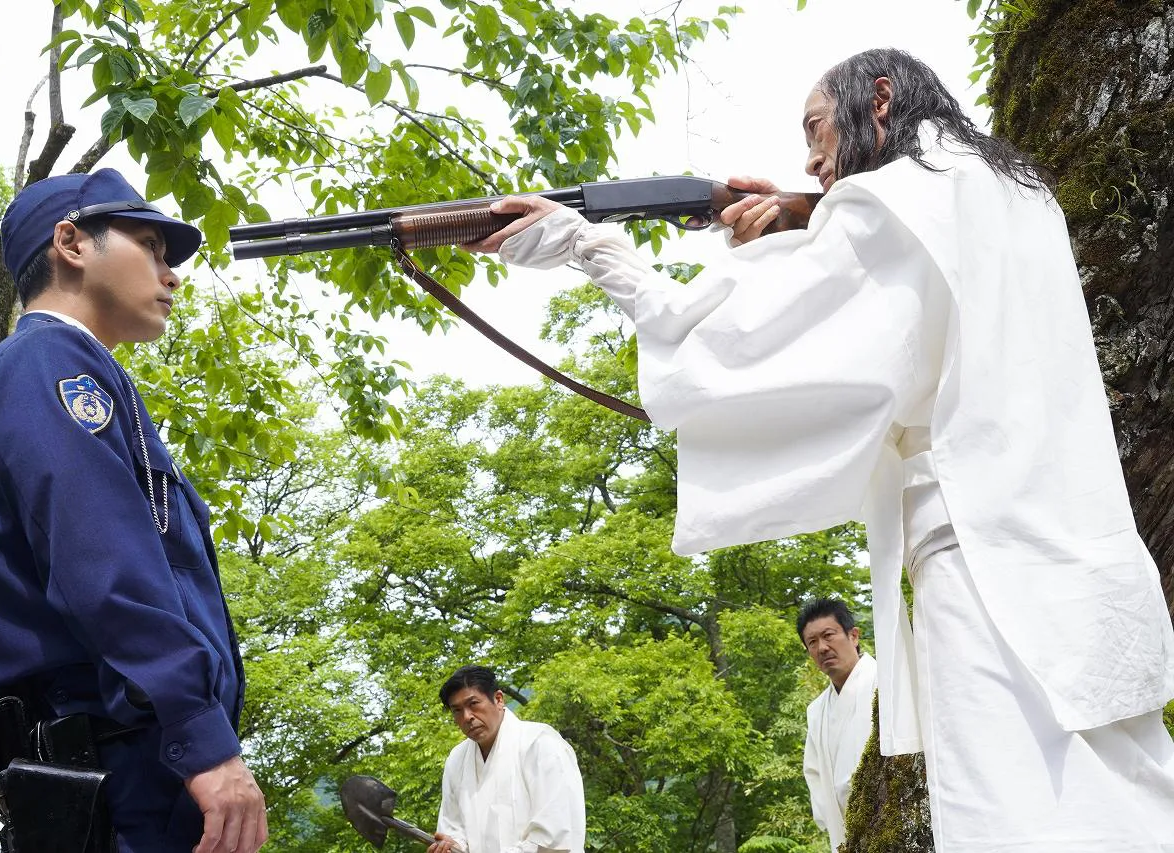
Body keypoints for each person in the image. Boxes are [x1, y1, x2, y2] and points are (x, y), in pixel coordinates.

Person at [467, 48, 1174, 853]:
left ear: (879, 100)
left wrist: (593, 251)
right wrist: (813, 217)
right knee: (1130, 807)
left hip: (984, 568)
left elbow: (745, 339)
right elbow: (923, 283)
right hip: (1085, 571)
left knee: (1018, 824)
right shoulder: (1018, 192)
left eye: (816, 128)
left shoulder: (899, 199)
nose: (811, 156)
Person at [0, 168, 267, 853]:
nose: (172, 274)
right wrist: (202, 738)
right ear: (71, 242)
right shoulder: (44, 361)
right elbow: (101, 565)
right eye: (153, 247)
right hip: (117, 766)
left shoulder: (80, 372)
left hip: (138, 761)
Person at [428, 665, 586, 853]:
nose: (467, 717)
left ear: (498, 699)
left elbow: (552, 837)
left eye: (473, 704)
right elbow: (453, 828)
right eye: (457, 710)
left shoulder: (540, 744)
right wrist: (452, 846)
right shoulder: (456, 759)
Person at [797, 599, 876, 853]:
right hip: (845, 835)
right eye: (812, 642)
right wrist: (831, 816)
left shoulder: (887, 681)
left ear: (853, 636)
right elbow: (814, 772)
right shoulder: (816, 710)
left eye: (828, 635)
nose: (822, 648)